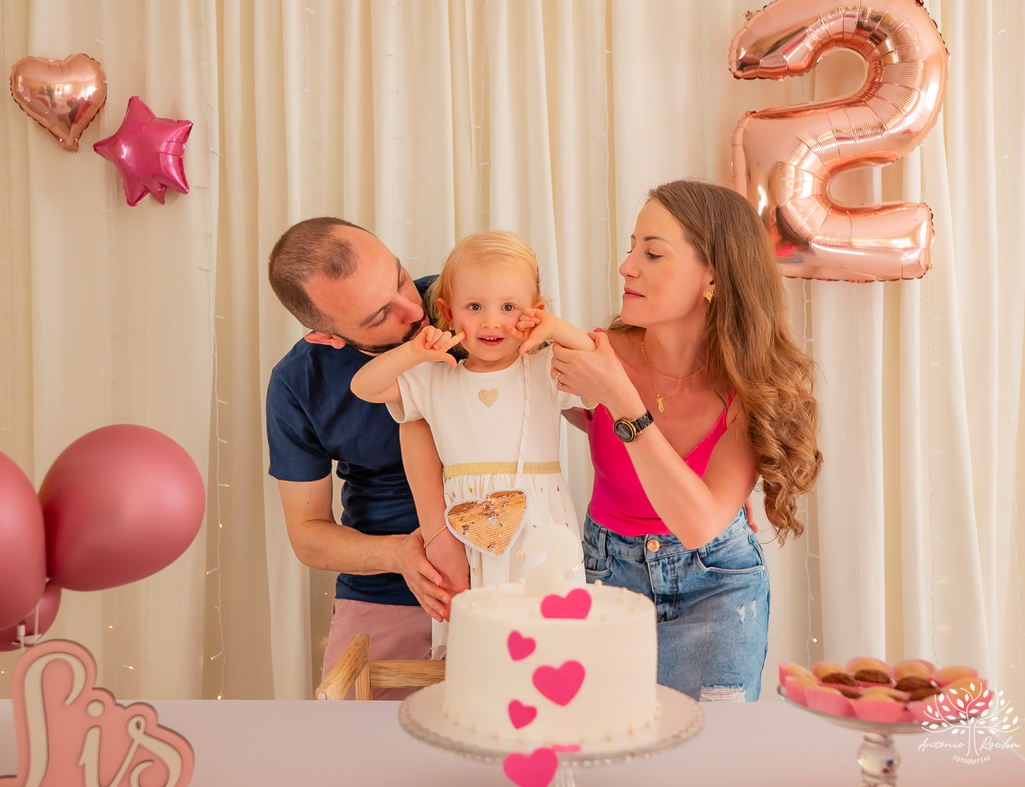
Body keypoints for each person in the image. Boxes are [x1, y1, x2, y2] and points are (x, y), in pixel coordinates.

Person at [548, 180, 822, 702]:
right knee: (609, 745)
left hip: (717, 588)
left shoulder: (750, 387)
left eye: (652, 254)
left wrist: (624, 404)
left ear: (712, 275)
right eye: (631, 248)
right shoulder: (596, 355)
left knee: (710, 749)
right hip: (605, 579)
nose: (627, 266)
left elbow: (698, 525)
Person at [351, 231, 594, 657]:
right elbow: (364, 386)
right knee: (479, 651)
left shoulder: (544, 369)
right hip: (467, 531)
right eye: (475, 307)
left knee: (546, 641)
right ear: (448, 312)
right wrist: (414, 353)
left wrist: (555, 329)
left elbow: (596, 362)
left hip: (539, 524)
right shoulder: (434, 378)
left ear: (534, 314)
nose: (491, 322)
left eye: (508, 308)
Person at [265, 217, 461, 699]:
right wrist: (399, 556)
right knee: (350, 732)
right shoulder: (298, 383)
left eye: (400, 279)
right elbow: (308, 535)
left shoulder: (460, 301)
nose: (414, 310)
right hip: (386, 589)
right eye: (378, 317)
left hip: (506, 571)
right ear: (326, 336)